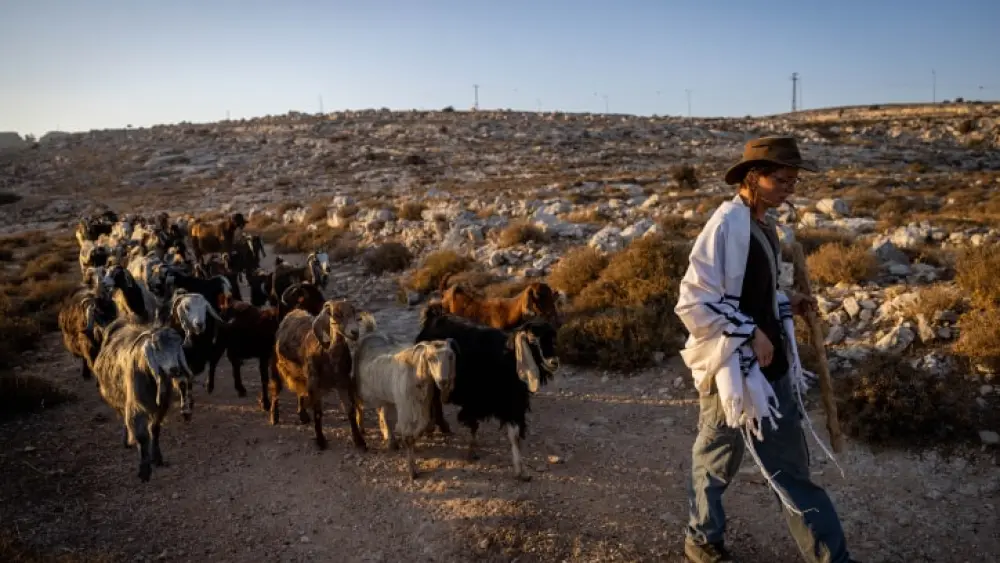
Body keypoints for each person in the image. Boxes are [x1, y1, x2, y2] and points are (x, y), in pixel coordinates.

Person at [674, 136, 858, 563]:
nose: (789, 187)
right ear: (752, 177)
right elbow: (695, 302)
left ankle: (831, 557)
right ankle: (702, 540)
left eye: (793, 180)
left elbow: (750, 293)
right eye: (781, 179)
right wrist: (749, 331)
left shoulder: (762, 226)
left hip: (769, 368)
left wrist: (784, 302)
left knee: (789, 471)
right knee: (716, 461)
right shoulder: (725, 226)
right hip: (734, 372)